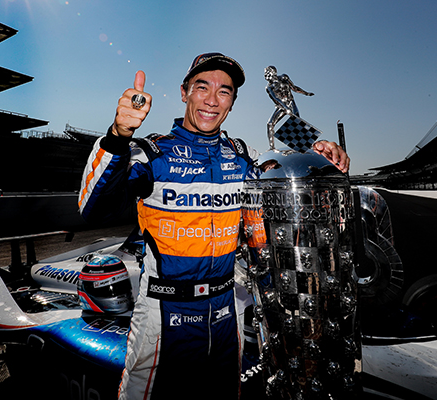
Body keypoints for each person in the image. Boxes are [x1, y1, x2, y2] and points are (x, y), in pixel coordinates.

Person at [78, 52, 348, 400]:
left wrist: (321, 153)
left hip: (227, 310)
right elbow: (92, 208)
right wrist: (118, 136)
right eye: (202, 87)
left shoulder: (242, 155)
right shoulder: (152, 152)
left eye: (225, 92)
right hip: (164, 315)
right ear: (184, 92)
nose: (211, 99)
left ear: (232, 103)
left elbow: (286, 174)